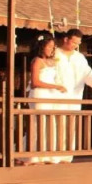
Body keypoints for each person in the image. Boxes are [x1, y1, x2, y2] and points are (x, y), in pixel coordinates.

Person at [52, 29, 92, 163]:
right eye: (74, 42)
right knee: (55, 123)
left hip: (74, 95)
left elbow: (87, 73)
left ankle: (66, 155)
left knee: (70, 124)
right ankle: (53, 154)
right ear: (66, 39)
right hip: (56, 94)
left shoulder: (79, 57)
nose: (76, 46)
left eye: (78, 43)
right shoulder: (55, 53)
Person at [25, 36, 68, 164]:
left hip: (50, 95)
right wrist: (55, 86)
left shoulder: (51, 62)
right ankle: (34, 154)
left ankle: (48, 154)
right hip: (39, 94)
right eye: (49, 46)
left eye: (53, 47)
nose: (51, 49)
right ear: (41, 47)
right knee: (39, 124)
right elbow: (35, 82)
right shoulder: (37, 61)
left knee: (49, 124)